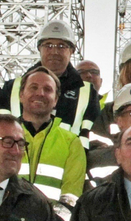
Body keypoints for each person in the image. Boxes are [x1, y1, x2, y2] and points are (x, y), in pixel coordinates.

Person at [1, 20, 101, 143]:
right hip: (17, 154)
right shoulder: (11, 88)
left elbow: (94, 136)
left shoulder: (87, 93)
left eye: (61, 46)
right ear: (39, 49)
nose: (54, 52)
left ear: (71, 51)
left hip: (70, 155)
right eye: (48, 45)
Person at [13, 65, 88, 211]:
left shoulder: (71, 142)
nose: (40, 93)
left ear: (55, 100)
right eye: (33, 87)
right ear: (21, 95)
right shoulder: (3, 137)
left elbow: (71, 196)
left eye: (47, 89)